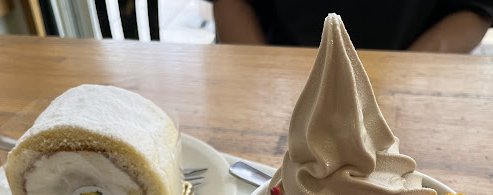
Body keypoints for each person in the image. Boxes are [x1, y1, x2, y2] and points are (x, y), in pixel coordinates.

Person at [210, 0, 493, 52]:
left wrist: (409, 70)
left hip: (410, 63)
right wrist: (261, 64)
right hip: (276, 58)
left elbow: (475, 9)